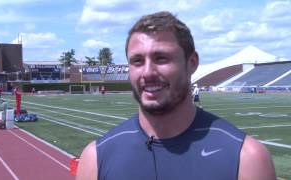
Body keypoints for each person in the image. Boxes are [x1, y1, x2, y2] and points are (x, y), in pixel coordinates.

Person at [76, 11, 276, 180]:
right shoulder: (95, 159)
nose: (147, 72)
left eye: (161, 58)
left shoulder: (247, 159)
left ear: (192, 62)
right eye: (137, 61)